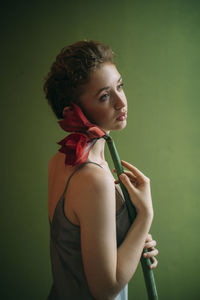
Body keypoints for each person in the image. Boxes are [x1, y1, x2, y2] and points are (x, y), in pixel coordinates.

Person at [43, 40, 158, 300]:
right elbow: (105, 289)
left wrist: (133, 239)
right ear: (73, 112)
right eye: (104, 96)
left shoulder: (59, 161)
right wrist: (144, 215)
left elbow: (80, 248)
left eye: (120, 86)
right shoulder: (93, 179)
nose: (120, 102)